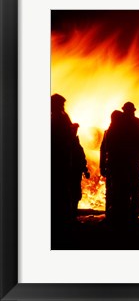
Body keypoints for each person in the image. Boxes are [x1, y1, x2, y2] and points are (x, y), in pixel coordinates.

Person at [106, 102, 139, 225]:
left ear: (124, 110)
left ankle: (121, 216)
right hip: (135, 161)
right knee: (135, 190)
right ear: (133, 110)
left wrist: (111, 159)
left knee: (120, 189)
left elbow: (109, 143)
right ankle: (133, 217)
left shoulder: (116, 124)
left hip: (120, 162)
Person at [51, 94, 74, 229]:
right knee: (61, 188)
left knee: (61, 188)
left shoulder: (60, 117)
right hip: (61, 157)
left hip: (61, 158)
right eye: (61, 103)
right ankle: (63, 217)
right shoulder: (60, 117)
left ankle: (62, 217)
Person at [99, 110, 123, 221]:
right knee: (116, 190)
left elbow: (102, 150)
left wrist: (102, 165)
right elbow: (103, 149)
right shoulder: (110, 132)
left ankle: (112, 214)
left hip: (113, 165)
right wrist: (102, 165)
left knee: (112, 190)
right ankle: (114, 214)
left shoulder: (109, 132)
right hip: (115, 165)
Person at [70, 123, 90, 220]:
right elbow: (80, 158)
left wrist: (85, 170)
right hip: (71, 172)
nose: (75, 131)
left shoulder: (75, 143)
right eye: (74, 130)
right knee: (72, 194)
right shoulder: (69, 143)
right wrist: (85, 170)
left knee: (75, 194)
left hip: (74, 173)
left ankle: (72, 216)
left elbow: (81, 158)